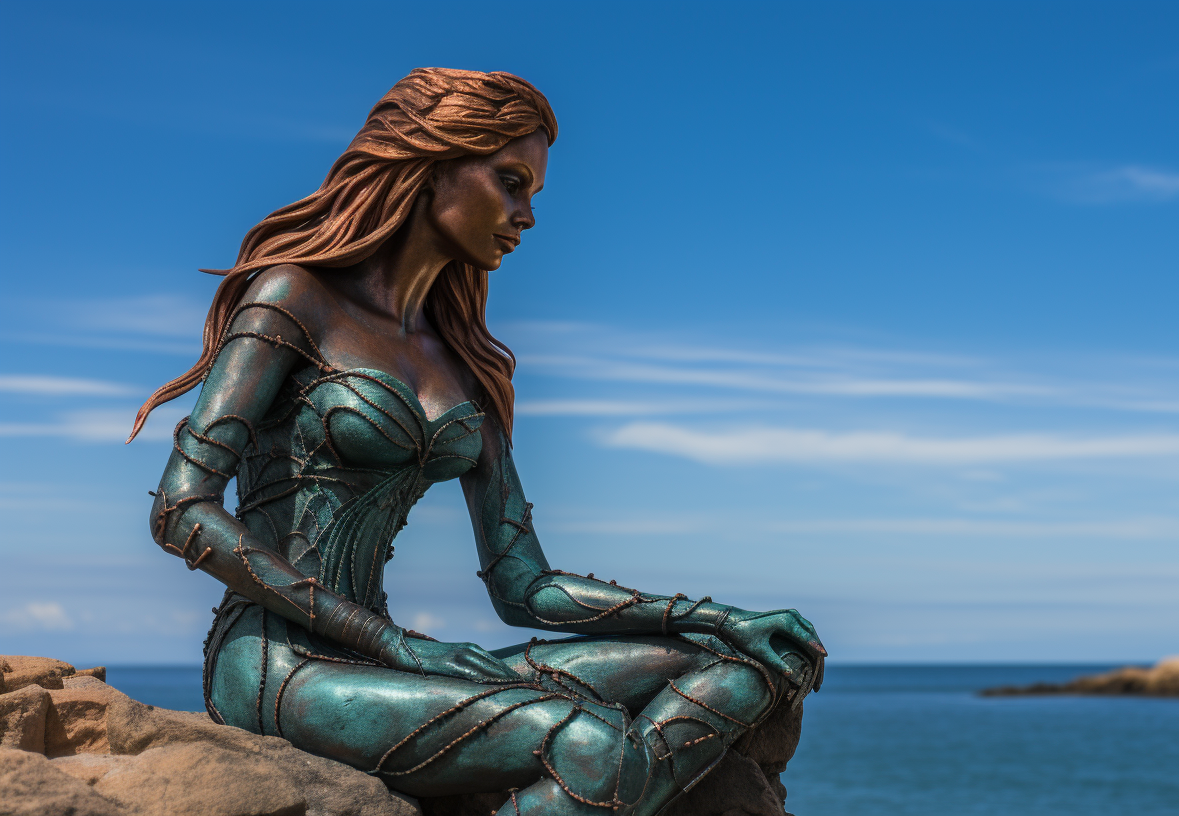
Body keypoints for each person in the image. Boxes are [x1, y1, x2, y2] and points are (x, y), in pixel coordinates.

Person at [131, 68, 824, 815]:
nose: (526, 214)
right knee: (583, 738)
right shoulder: (292, 298)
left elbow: (525, 585)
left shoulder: (467, 361)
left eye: (532, 193)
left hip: (398, 664)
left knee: (739, 670)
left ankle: (599, 791)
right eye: (511, 181)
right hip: (281, 665)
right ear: (431, 166)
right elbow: (181, 511)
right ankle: (601, 781)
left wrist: (719, 618)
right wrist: (395, 645)